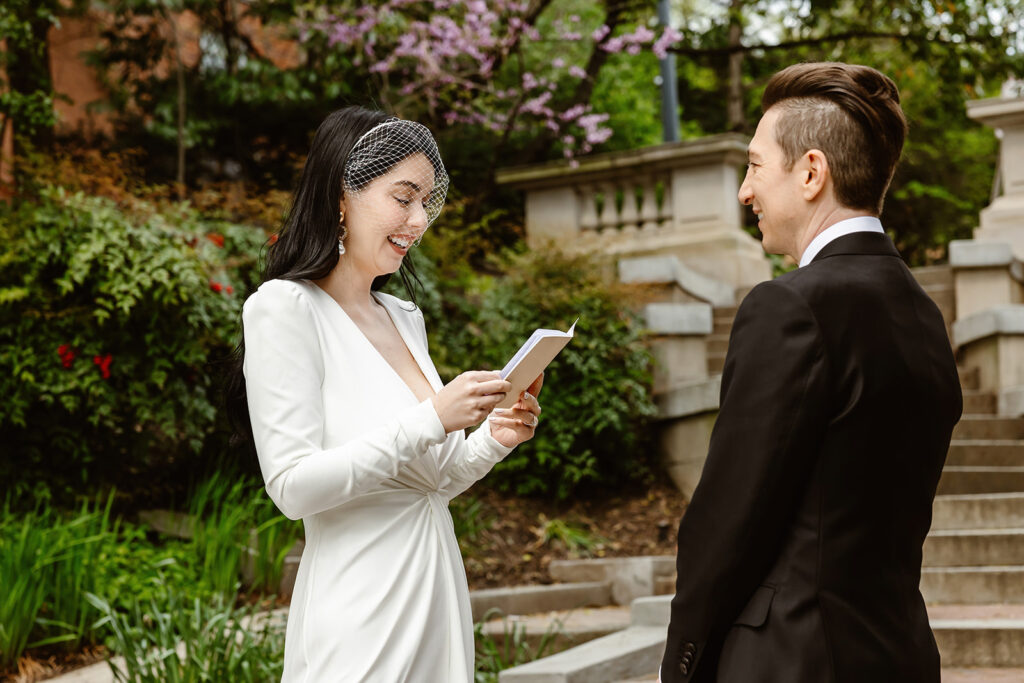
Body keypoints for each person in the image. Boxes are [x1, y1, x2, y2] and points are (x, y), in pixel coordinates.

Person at [659, 62, 962, 682]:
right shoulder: (924, 315)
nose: (745, 192)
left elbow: (728, 516)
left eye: (754, 166)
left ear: (811, 172)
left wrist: (681, 663)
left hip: (791, 659)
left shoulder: (789, 306)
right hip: (900, 656)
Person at [227, 106, 543, 682]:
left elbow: (433, 482)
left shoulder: (403, 316)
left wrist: (492, 439)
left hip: (435, 591)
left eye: (426, 200)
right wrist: (432, 417)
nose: (420, 219)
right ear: (341, 196)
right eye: (404, 197)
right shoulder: (284, 308)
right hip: (361, 610)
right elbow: (292, 488)